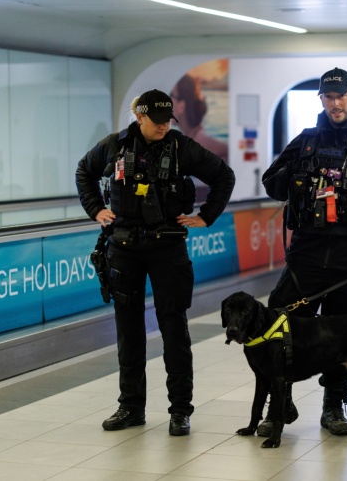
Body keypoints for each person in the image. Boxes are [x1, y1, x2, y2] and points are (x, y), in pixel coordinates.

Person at [75, 89, 235, 436]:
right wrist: (95, 210)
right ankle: (130, 407)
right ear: (140, 117)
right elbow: (83, 172)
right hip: (124, 249)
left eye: (168, 121)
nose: (164, 127)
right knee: (128, 331)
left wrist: (207, 216)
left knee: (174, 328)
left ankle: (180, 410)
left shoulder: (181, 147)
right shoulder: (114, 146)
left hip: (168, 249)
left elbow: (224, 176)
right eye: (158, 121)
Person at [260, 67, 347, 437]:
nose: (335, 103)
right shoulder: (306, 140)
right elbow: (272, 185)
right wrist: (293, 174)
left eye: (342, 96)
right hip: (306, 252)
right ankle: (279, 403)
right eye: (328, 97)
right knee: (277, 323)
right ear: (321, 100)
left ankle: (334, 407)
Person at [171, 74, 229, 162]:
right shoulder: (191, 138)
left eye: (171, 95)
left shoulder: (200, 141)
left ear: (181, 106)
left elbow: (230, 151)